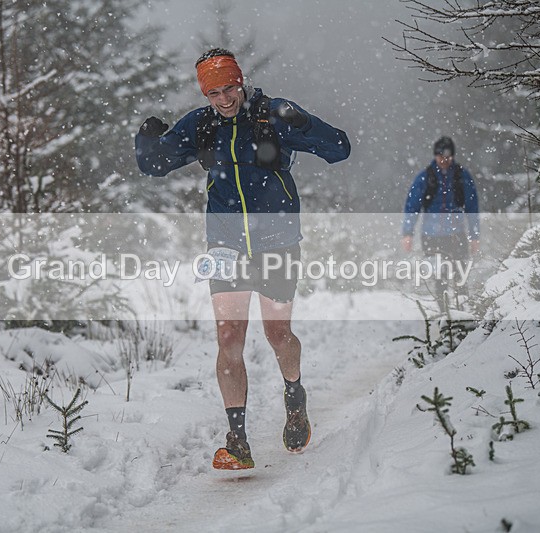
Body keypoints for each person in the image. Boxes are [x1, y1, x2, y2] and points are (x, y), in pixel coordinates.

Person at [135, 48, 351, 470]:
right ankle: (237, 441)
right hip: (225, 245)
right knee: (229, 338)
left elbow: (338, 148)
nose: (223, 99)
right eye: (213, 92)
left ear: (241, 81)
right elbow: (154, 165)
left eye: (229, 88)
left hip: (277, 241)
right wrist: (148, 135)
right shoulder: (201, 125)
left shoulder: (271, 116)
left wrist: (303, 122)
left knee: (277, 335)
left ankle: (294, 396)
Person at [401, 136, 480, 305]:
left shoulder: (461, 176)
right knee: (440, 278)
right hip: (432, 236)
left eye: (447, 157)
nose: (444, 160)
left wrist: (475, 235)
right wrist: (408, 233)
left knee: (460, 277)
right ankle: (444, 315)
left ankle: (463, 315)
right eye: (441, 157)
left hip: (456, 235)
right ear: (435, 156)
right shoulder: (425, 177)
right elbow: (412, 207)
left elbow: (472, 207)